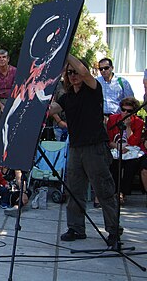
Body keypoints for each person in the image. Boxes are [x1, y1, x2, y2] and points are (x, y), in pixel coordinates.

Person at [50, 55, 118, 246]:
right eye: (69, 72)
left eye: (75, 72)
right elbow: (51, 109)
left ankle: (113, 230)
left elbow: (85, 73)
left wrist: (66, 52)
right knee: (73, 189)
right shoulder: (67, 96)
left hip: (95, 147)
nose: (73, 76)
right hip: (76, 148)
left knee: (104, 190)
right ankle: (76, 228)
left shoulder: (93, 89)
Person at [106, 97, 145, 204]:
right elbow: (108, 140)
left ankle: (123, 192)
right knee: (114, 164)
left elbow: (134, 142)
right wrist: (118, 146)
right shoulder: (113, 119)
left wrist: (128, 127)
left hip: (131, 151)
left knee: (132, 165)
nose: (125, 113)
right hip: (116, 148)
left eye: (129, 111)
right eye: (123, 110)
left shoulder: (138, 122)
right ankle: (115, 192)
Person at [0, 49, 17, 136]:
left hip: (13, 99)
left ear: (8, 59)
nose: (2, 59)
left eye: (4, 57)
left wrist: (11, 103)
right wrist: (1, 106)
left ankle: (14, 135)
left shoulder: (15, 71)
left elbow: (17, 89)